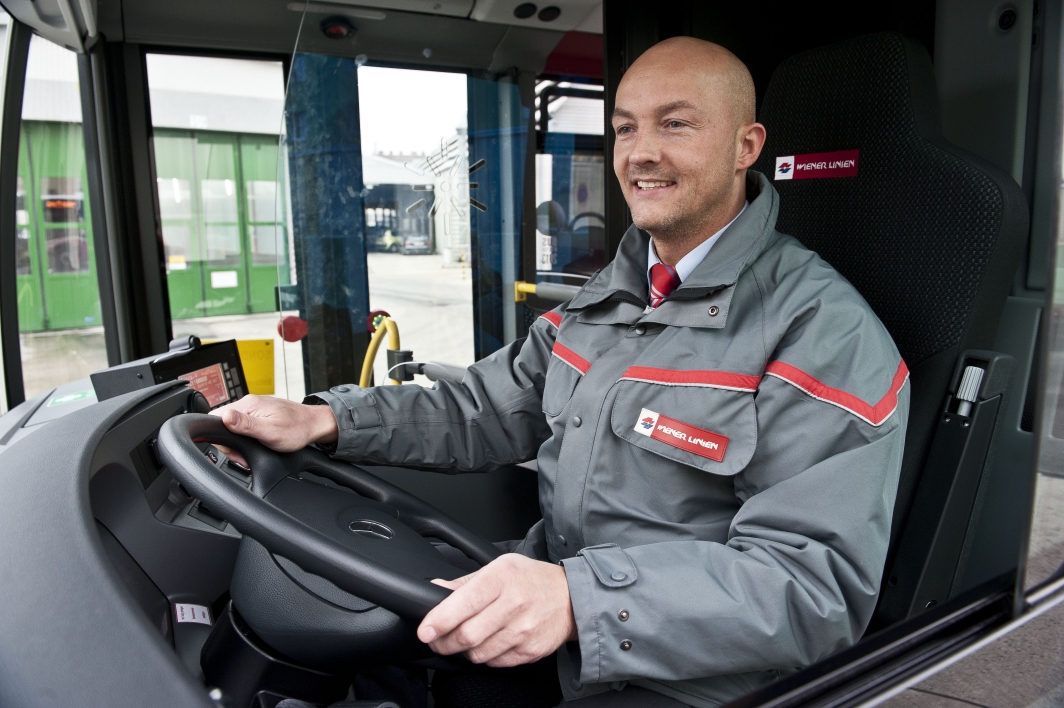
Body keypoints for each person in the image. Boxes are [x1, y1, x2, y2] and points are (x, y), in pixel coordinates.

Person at [214, 37, 909, 708]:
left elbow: (813, 584)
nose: (641, 153)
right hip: (565, 618)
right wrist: (324, 419)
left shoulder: (822, 333)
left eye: (676, 125)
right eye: (626, 128)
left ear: (745, 147)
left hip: (697, 679)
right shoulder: (615, 290)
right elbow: (487, 408)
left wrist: (582, 599)